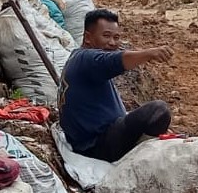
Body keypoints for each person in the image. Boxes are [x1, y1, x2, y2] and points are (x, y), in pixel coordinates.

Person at [58, 9, 175, 163]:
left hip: (99, 139)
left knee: (149, 116)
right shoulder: (89, 59)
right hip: (98, 146)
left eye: (116, 37)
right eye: (106, 36)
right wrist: (150, 53)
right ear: (88, 37)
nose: (112, 43)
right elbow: (116, 60)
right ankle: (141, 152)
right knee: (158, 110)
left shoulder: (79, 58)